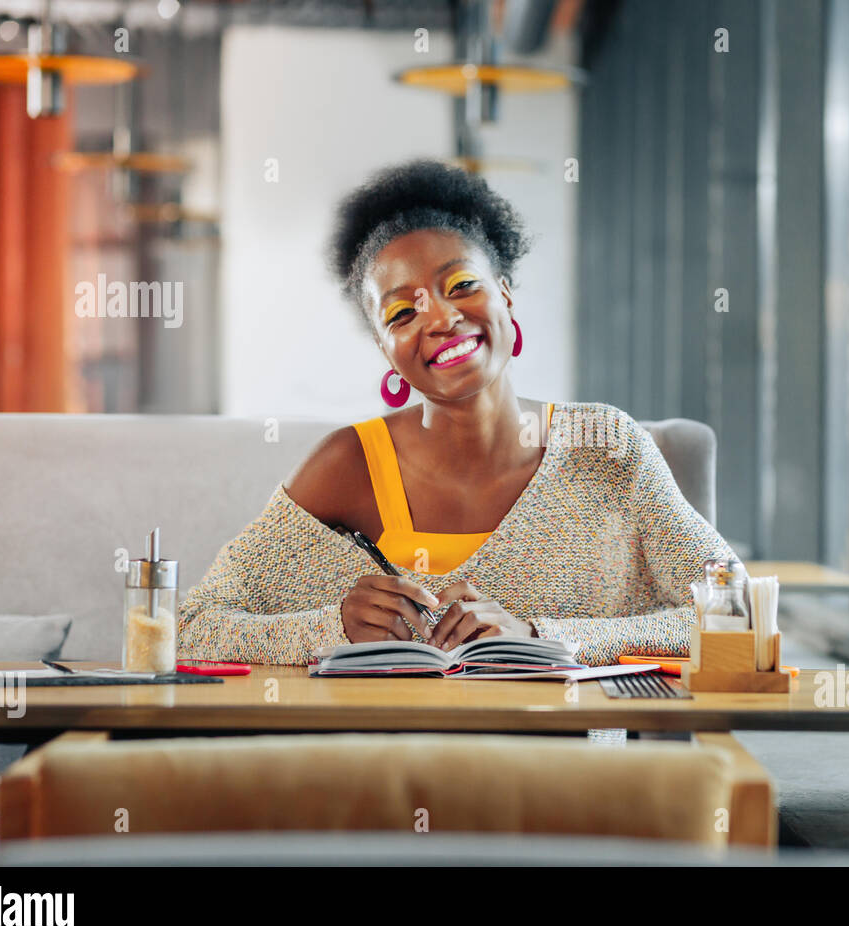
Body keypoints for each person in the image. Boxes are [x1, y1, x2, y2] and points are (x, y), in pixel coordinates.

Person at [177, 158, 734, 666]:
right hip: (396, 765)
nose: (440, 319)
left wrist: (540, 638)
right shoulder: (349, 462)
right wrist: (333, 627)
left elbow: (733, 613)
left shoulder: (604, 444)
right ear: (385, 350)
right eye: (401, 314)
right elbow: (190, 627)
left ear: (506, 296)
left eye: (462, 285)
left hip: (574, 764)